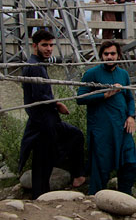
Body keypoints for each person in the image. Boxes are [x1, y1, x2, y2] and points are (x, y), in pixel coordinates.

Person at [19, 29, 86, 199]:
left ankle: (43, 193)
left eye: (51, 45)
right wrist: (57, 104)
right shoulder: (35, 67)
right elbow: (39, 96)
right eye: (45, 45)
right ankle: (42, 195)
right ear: (35, 46)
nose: (49, 49)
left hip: (42, 119)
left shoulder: (37, 64)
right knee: (45, 159)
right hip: (43, 121)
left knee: (45, 159)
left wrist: (55, 104)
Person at [77, 41, 136, 196]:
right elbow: (80, 98)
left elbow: (130, 98)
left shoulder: (123, 74)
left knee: (129, 163)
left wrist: (131, 116)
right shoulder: (92, 73)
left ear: (118, 55)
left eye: (113, 54)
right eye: (106, 54)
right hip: (102, 128)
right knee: (101, 165)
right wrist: (104, 94)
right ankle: (95, 198)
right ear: (101, 55)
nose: (109, 57)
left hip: (122, 127)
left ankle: (125, 197)